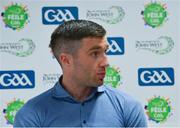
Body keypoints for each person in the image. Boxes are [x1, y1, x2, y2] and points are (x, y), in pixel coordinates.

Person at [14, 20, 147, 127]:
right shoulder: (31, 114)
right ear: (66, 60)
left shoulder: (128, 107)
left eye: (105, 52)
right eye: (95, 53)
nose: (106, 62)